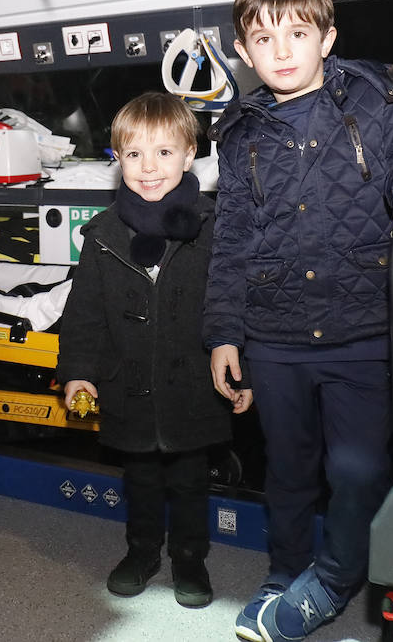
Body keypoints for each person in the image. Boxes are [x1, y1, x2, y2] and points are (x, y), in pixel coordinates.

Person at [206, 0, 393, 641]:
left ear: (328, 37)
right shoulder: (238, 134)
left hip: (363, 330)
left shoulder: (372, 101)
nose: (282, 50)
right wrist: (225, 333)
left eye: (297, 32)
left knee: (357, 468)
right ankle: (286, 570)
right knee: (287, 470)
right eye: (264, 38)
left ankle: (336, 577)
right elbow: (231, 239)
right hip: (275, 335)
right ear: (243, 52)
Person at [56, 91, 252, 609]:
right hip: (130, 385)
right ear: (117, 160)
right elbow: (84, 313)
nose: (148, 168)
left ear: (190, 155)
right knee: (139, 478)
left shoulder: (215, 229)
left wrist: (243, 375)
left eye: (164, 153)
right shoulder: (101, 236)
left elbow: (237, 306)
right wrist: (78, 371)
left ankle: (190, 558)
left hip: (194, 386)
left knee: (190, 481)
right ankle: (141, 552)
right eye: (134, 154)